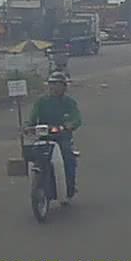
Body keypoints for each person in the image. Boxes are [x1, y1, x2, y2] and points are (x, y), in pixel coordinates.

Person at [26, 71, 83, 200]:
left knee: (68, 157)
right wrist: (28, 127)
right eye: (52, 84)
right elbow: (33, 118)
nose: (54, 87)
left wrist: (69, 125)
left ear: (64, 87)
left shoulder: (69, 102)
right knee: (31, 155)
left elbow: (77, 119)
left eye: (57, 84)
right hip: (43, 137)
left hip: (62, 137)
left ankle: (69, 187)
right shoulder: (41, 102)